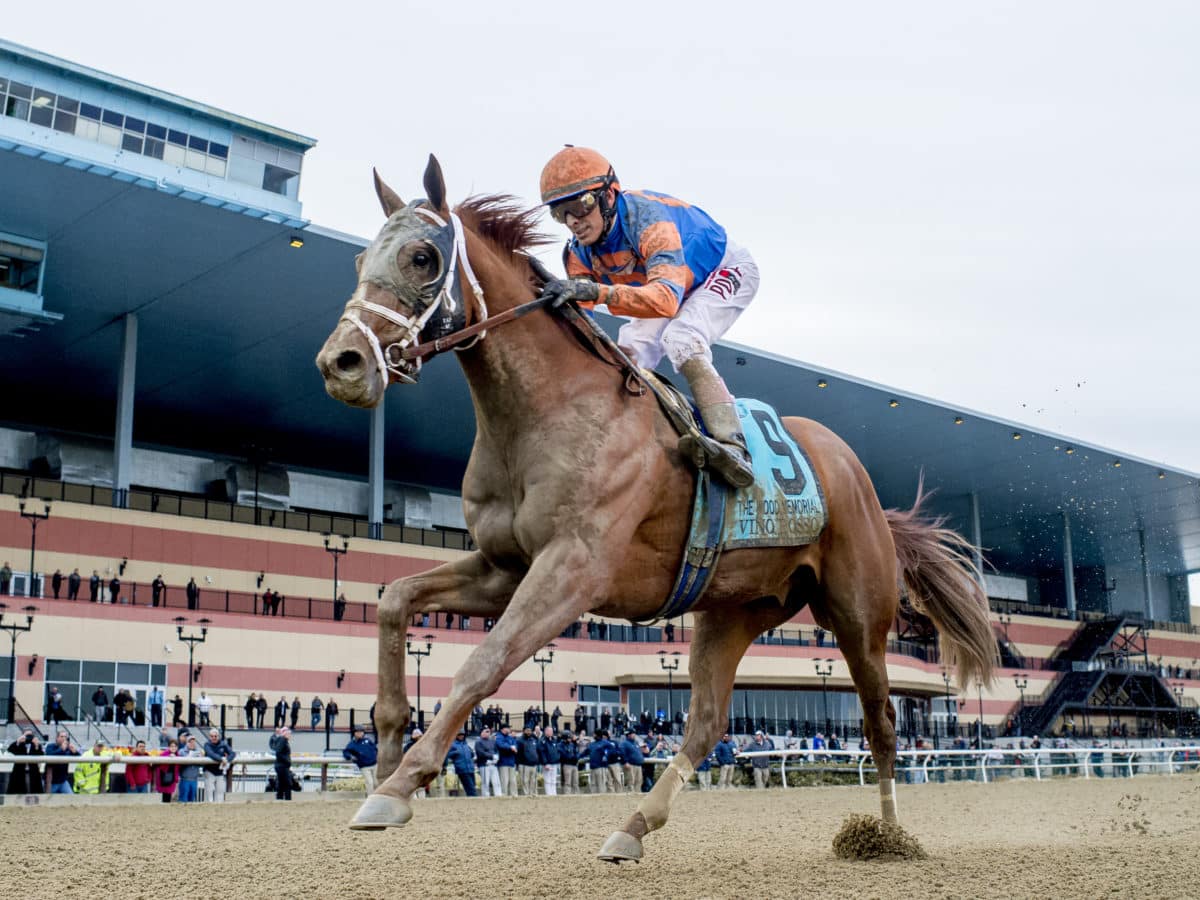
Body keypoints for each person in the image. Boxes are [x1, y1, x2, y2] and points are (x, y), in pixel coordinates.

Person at [537, 146, 760, 487]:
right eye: (560, 214)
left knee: (681, 339)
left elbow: (666, 301)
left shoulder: (649, 220)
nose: (573, 222)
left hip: (722, 269)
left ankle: (733, 446)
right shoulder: (577, 253)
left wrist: (597, 292)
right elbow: (581, 329)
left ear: (609, 195)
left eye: (580, 206)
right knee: (626, 353)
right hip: (669, 284)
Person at [202, 728, 236, 802]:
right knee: (209, 791)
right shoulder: (206, 745)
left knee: (220, 791)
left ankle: (219, 809)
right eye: (212, 736)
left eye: (215, 736)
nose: (214, 738)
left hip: (220, 772)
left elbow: (233, 753)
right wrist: (221, 759)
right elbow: (211, 754)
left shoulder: (223, 744)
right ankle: (208, 807)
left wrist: (227, 760)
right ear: (209, 737)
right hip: (209, 771)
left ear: (218, 736)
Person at [343, 725, 379, 793]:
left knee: (376, 783)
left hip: (374, 765)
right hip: (364, 766)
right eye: (358, 732)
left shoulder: (368, 741)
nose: (360, 733)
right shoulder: (352, 744)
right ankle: (370, 798)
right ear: (354, 733)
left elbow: (375, 748)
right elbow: (345, 752)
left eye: (361, 732)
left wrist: (376, 755)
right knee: (369, 782)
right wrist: (350, 757)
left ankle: (376, 797)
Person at [446, 731, 477, 797]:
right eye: (459, 735)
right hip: (462, 768)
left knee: (473, 785)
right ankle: (473, 797)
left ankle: (471, 797)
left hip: (470, 768)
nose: (461, 736)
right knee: (470, 785)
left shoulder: (466, 744)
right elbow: (448, 755)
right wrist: (455, 753)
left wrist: (471, 753)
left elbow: (472, 754)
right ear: (456, 736)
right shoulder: (453, 744)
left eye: (462, 735)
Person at [474, 726, 502, 797]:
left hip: (493, 764)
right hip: (484, 764)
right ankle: (485, 795)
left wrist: (496, 757)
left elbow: (496, 750)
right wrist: (491, 756)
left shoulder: (492, 741)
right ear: (481, 733)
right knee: (485, 782)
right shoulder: (478, 742)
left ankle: (498, 794)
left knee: (496, 781)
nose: (488, 733)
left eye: (489, 731)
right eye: (486, 731)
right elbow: (481, 753)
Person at [176, 735, 204, 802]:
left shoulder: (198, 752)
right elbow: (180, 764)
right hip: (184, 780)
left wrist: (201, 758)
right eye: (190, 742)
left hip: (194, 780)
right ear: (186, 743)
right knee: (183, 799)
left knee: (192, 799)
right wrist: (189, 756)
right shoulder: (181, 751)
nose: (192, 744)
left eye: (193, 742)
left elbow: (202, 765)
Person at [269, 727, 293, 800]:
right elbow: (278, 752)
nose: (290, 735)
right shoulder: (283, 740)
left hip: (280, 765)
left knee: (281, 783)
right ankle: (287, 799)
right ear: (285, 734)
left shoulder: (281, 740)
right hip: (283, 765)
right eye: (289, 734)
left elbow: (273, 747)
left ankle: (280, 799)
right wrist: (287, 761)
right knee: (287, 784)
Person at [495, 723, 519, 797]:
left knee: (513, 780)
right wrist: (510, 747)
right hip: (503, 762)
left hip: (511, 761)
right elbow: (501, 745)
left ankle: (514, 795)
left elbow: (515, 744)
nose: (509, 729)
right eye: (508, 728)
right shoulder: (498, 737)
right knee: (504, 780)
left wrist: (513, 747)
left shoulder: (510, 737)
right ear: (503, 729)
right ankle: (504, 795)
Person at [588, 729, 614, 794]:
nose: (593, 735)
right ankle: (593, 799)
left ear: (597, 735)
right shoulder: (592, 744)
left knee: (601, 785)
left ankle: (602, 800)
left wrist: (606, 755)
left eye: (594, 734)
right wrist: (579, 756)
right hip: (593, 767)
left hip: (601, 767)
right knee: (593, 785)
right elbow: (586, 751)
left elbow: (612, 750)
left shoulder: (605, 742)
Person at [538, 725, 560, 796]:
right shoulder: (542, 741)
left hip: (554, 763)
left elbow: (556, 751)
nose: (551, 732)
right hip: (547, 763)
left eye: (552, 731)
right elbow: (542, 753)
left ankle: (554, 793)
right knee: (547, 780)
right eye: (549, 731)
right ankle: (549, 794)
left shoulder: (554, 740)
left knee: (553, 779)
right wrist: (545, 764)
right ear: (545, 731)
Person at [558, 730, 581, 795]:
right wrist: (572, 757)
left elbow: (577, 752)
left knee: (575, 782)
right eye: (568, 738)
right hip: (567, 764)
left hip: (574, 764)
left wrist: (576, 757)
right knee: (567, 782)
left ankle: (576, 794)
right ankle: (567, 795)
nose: (570, 739)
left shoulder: (572, 744)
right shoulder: (560, 745)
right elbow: (564, 754)